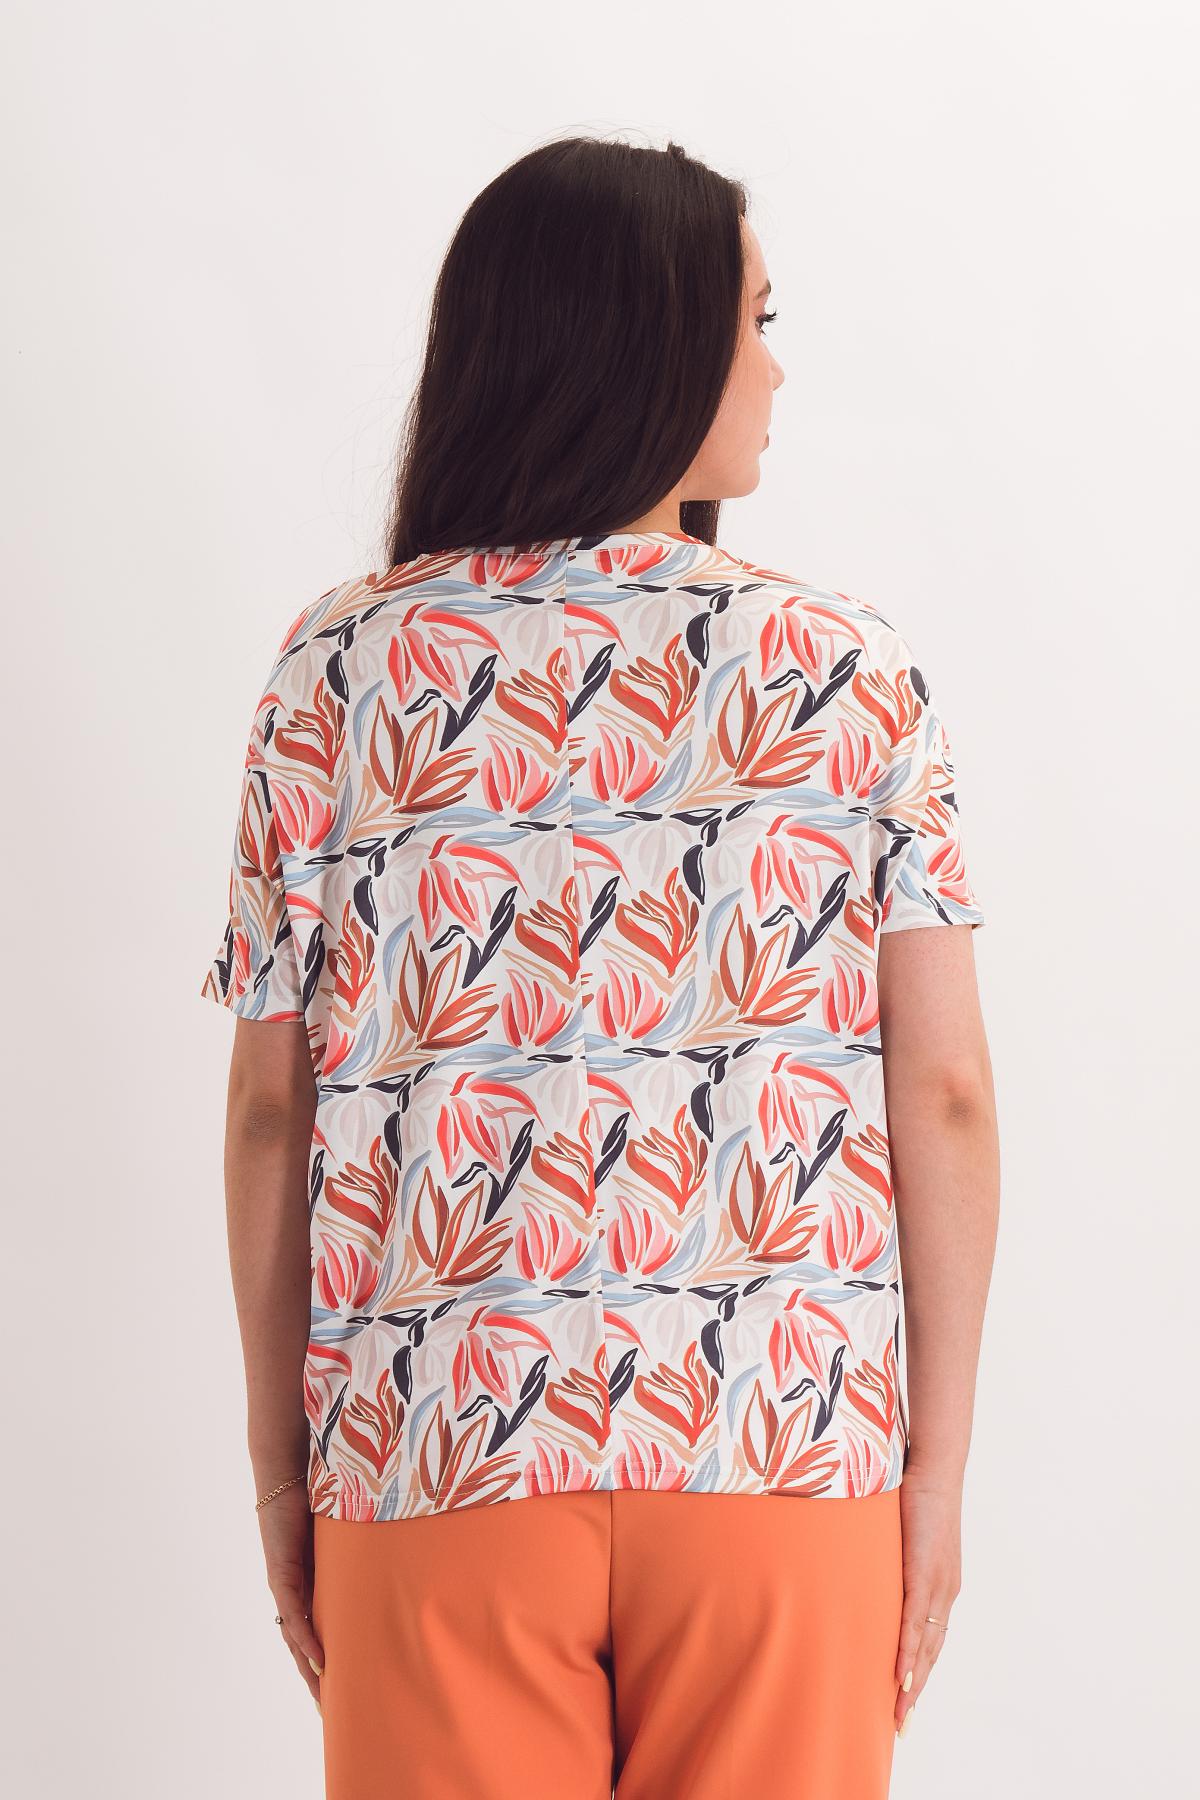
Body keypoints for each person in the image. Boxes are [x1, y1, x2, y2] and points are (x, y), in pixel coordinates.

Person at [200, 135, 1000, 1800]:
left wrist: (284, 1473)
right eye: (757, 320)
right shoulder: (843, 666)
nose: (777, 367)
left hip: (438, 1447)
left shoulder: (338, 665)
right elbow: (941, 1089)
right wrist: (932, 1474)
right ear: (649, 337)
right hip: (779, 1446)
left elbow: (275, 1110)